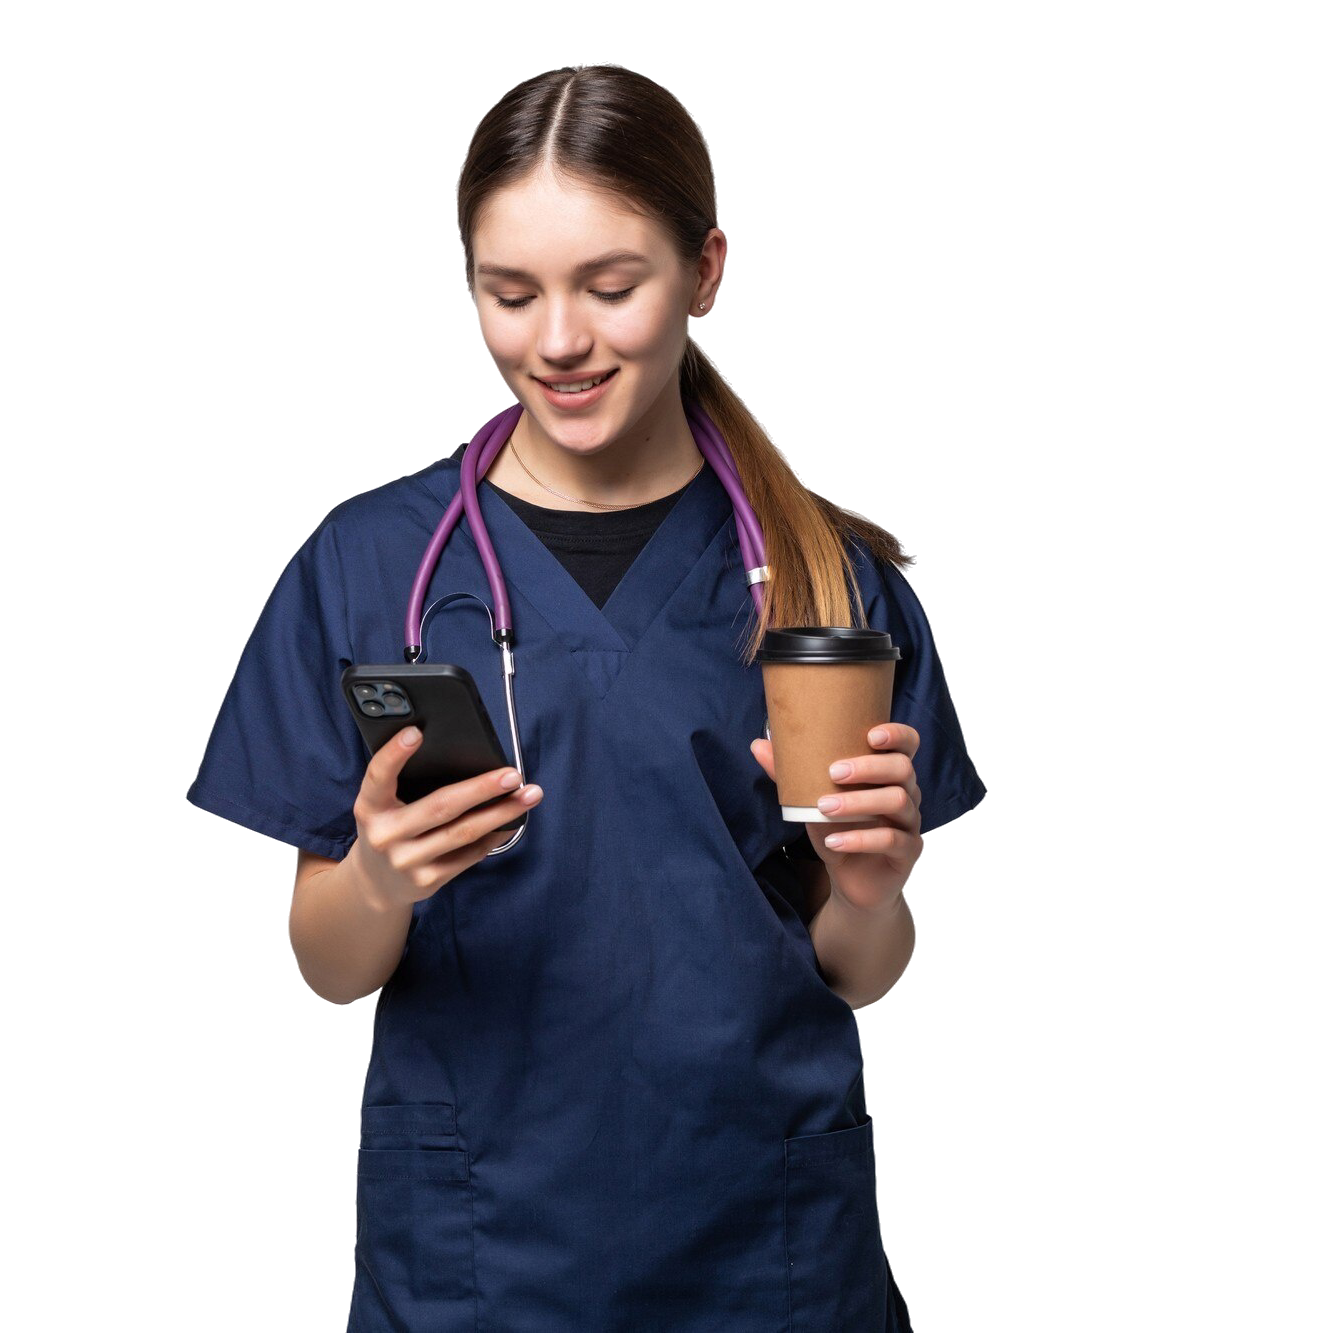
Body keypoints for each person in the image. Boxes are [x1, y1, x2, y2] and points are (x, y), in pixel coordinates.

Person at [187, 64, 985, 1333]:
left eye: (610, 287)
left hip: (762, 1254)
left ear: (704, 269)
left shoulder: (832, 582)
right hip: (481, 1258)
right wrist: (378, 883)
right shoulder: (372, 571)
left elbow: (859, 968)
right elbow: (323, 966)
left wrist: (870, 894)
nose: (557, 340)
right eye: (510, 294)